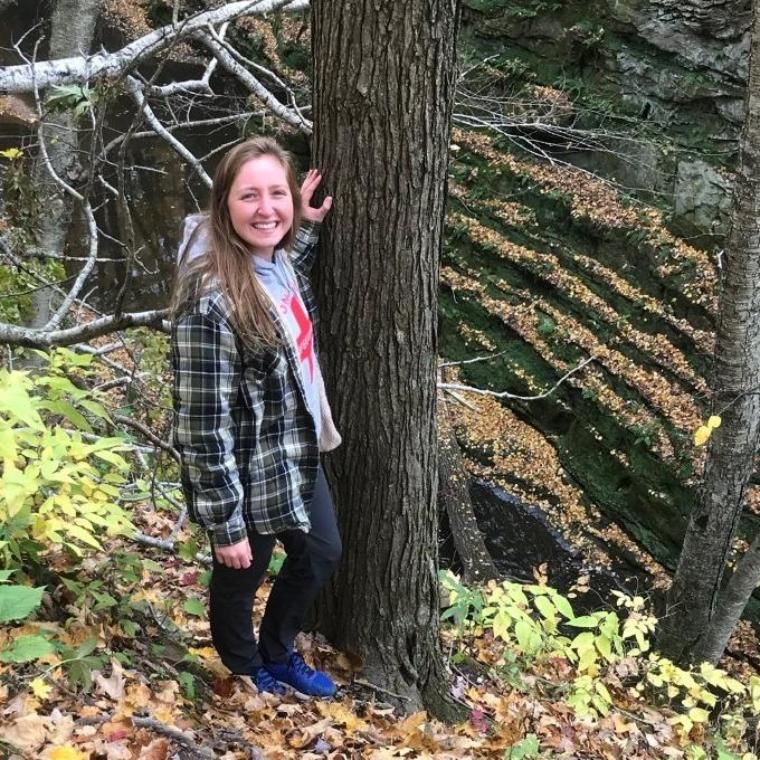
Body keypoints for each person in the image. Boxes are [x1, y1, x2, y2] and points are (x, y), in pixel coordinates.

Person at [170, 137, 342, 698]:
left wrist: (307, 225)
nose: (266, 208)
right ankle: (244, 668)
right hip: (246, 468)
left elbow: (282, 270)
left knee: (320, 552)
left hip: (293, 451)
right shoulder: (210, 301)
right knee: (242, 571)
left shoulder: (276, 260)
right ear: (224, 206)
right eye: (250, 196)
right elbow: (201, 421)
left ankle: (277, 650)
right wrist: (226, 522)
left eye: (277, 194)